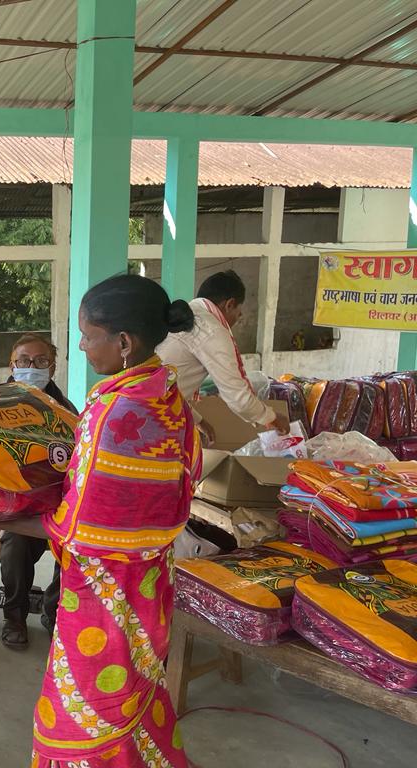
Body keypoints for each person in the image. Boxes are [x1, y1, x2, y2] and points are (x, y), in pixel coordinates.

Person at [30, 274, 200, 768]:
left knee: (89, 706)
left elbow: (81, 522)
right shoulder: (169, 396)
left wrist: (32, 515)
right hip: (151, 580)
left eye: (88, 336)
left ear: (124, 343)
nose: (82, 346)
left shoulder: (112, 411)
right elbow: (187, 477)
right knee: (138, 683)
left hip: (101, 590)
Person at [0, 333, 76, 651]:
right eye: (24, 361)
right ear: (12, 365)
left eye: (41, 361)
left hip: (57, 503)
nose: (32, 367)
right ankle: (14, 615)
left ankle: (54, 610)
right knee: (16, 542)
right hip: (15, 502)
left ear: (52, 368)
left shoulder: (66, 410)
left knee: (73, 539)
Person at [157, 270, 289, 440]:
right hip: (153, 416)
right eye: (238, 314)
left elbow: (172, 386)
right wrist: (272, 417)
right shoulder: (212, 329)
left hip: (137, 406)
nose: (236, 321)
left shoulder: (189, 315)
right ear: (229, 304)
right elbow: (237, 396)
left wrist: (198, 420)